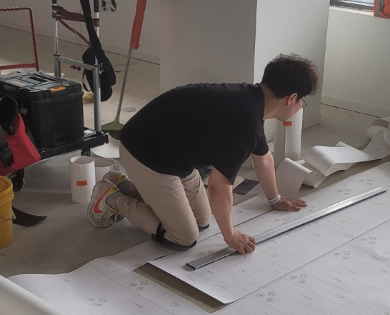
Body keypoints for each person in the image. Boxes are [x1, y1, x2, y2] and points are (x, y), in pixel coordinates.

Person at [87, 54, 318, 254]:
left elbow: (263, 158)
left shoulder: (252, 102)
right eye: (302, 101)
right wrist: (230, 235)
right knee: (183, 237)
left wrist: (275, 200)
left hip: (174, 156)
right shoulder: (247, 122)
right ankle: (110, 198)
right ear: (291, 98)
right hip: (145, 153)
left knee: (202, 221)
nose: (301, 106)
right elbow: (218, 186)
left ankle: (123, 184)